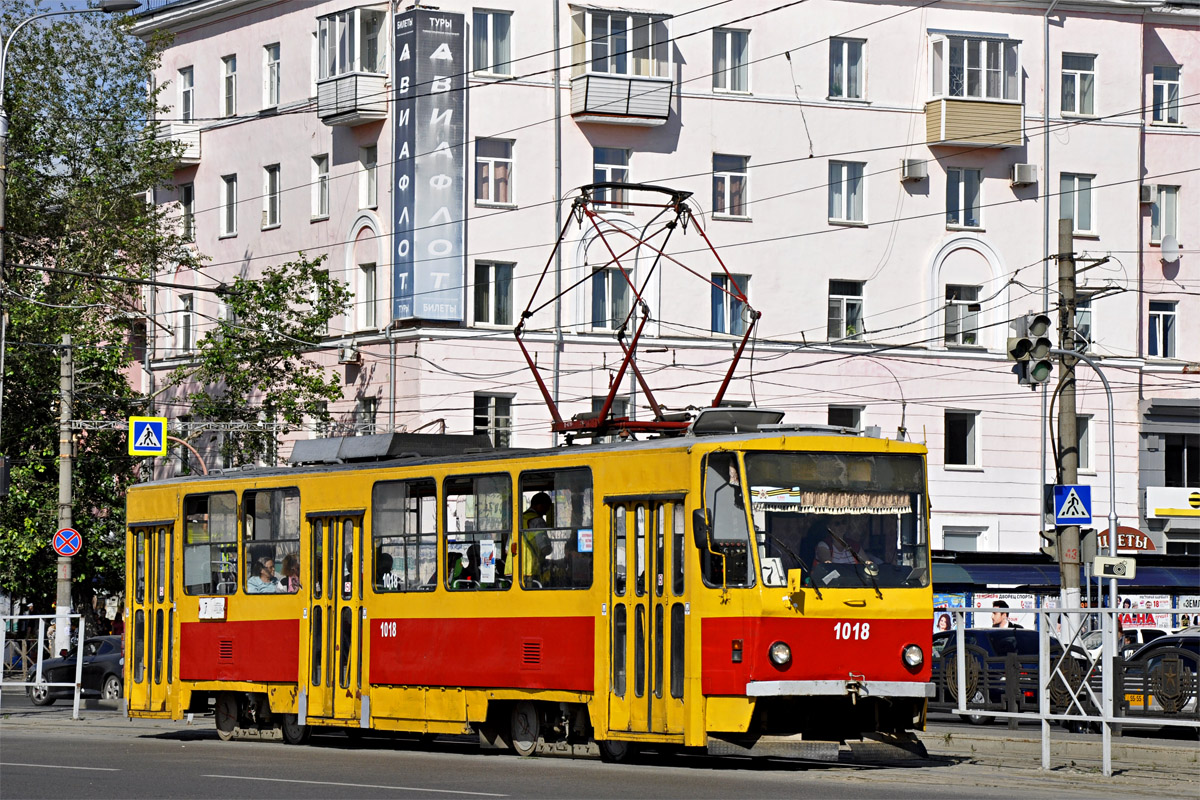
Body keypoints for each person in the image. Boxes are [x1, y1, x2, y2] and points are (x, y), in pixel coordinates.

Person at [513, 492, 554, 584]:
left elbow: (507, 550)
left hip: (513, 569)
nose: (547, 511)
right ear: (539, 505)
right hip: (531, 569)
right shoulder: (538, 521)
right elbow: (545, 549)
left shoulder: (518, 519)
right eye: (546, 507)